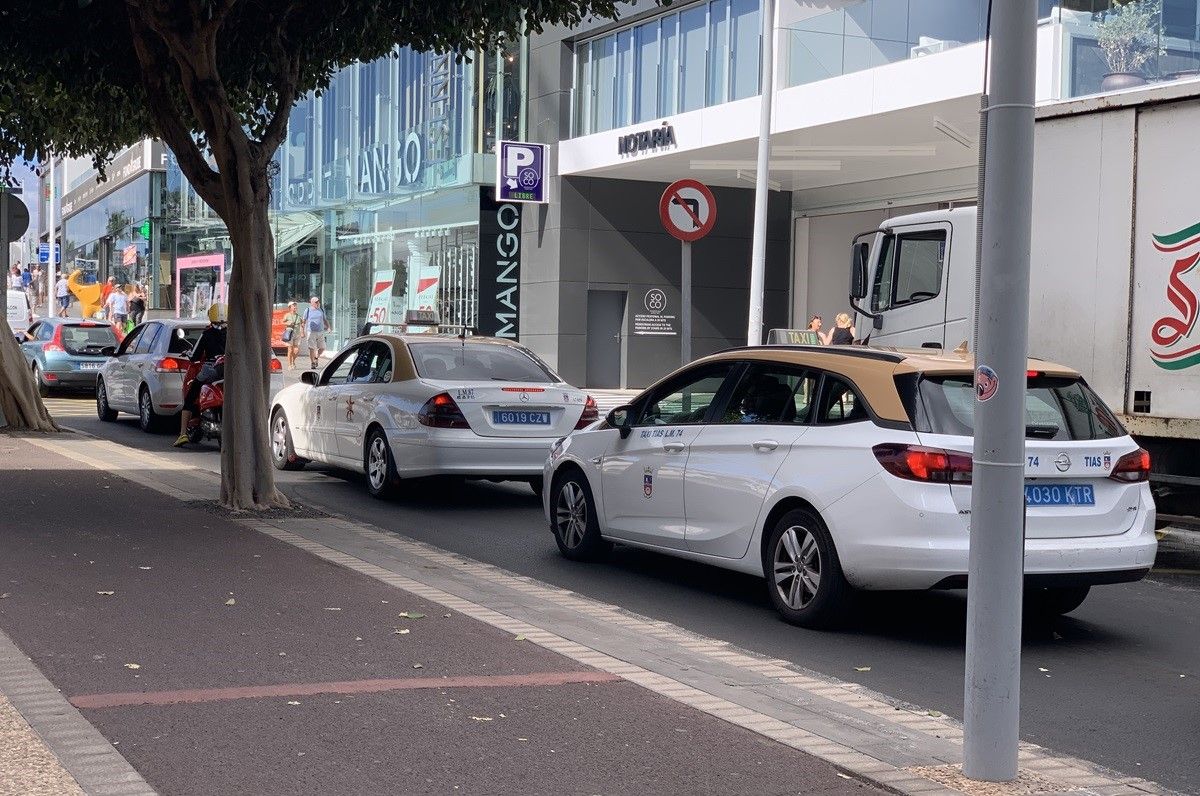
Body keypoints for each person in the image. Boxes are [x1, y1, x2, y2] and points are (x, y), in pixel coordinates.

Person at [174, 303, 228, 447]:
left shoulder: (207, 334)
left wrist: (189, 354)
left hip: (211, 370)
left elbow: (194, 356)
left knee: (190, 397)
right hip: (230, 372)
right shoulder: (234, 333)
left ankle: (183, 434)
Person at [302, 295, 330, 369]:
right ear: (312, 303)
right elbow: (303, 321)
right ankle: (313, 363)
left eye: (318, 302)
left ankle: (316, 357)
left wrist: (328, 327)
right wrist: (302, 332)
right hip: (311, 332)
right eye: (316, 302)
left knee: (323, 347)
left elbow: (325, 320)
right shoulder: (307, 310)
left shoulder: (321, 309)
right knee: (312, 348)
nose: (317, 303)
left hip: (320, 331)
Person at [281, 300, 303, 370]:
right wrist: (288, 323)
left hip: (297, 334)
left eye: (295, 306)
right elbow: (282, 322)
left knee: (296, 350)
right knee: (290, 350)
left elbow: (302, 324)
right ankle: (289, 365)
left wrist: (302, 332)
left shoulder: (298, 316)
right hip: (290, 334)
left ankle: (293, 361)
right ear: (290, 307)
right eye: (293, 306)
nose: (295, 307)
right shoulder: (287, 315)